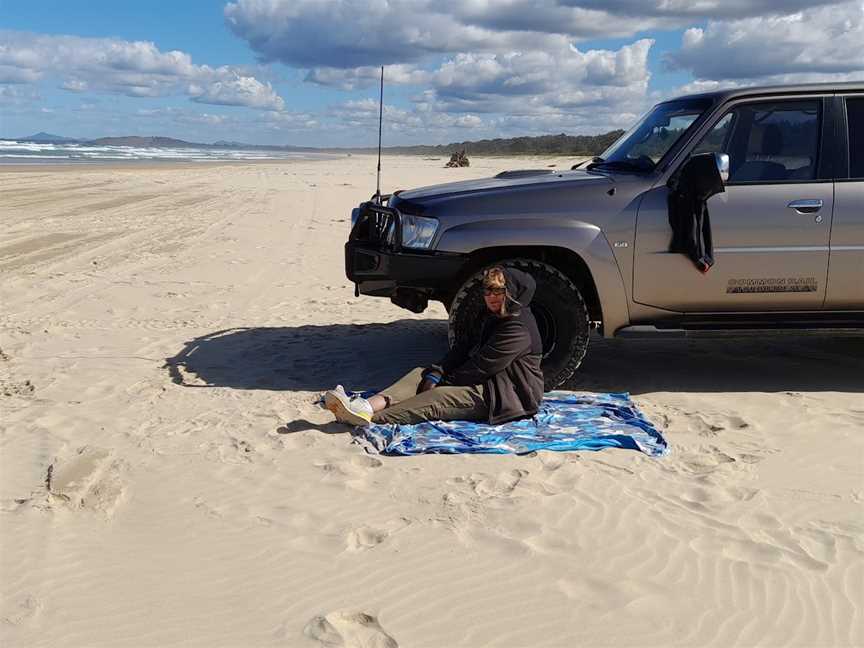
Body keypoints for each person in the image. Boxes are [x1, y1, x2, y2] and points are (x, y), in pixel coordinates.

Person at [324, 266, 544, 427]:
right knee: (421, 375)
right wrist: (436, 373)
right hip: (484, 380)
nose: (492, 297)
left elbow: (482, 366)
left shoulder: (518, 328)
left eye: (498, 291)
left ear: (512, 293)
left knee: (436, 398)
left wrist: (442, 383)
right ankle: (365, 407)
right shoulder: (490, 315)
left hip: (504, 394)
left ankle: (372, 419)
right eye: (488, 291)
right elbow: (462, 348)